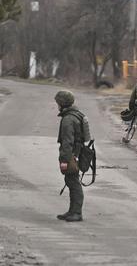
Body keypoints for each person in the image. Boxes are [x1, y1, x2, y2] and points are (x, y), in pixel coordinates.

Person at [55, 90, 85, 222]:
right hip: (76, 154)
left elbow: (67, 142)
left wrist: (65, 160)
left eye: (58, 102)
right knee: (71, 181)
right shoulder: (75, 115)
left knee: (73, 182)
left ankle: (76, 213)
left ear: (62, 103)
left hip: (71, 155)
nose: (57, 105)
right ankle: (72, 211)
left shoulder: (68, 119)